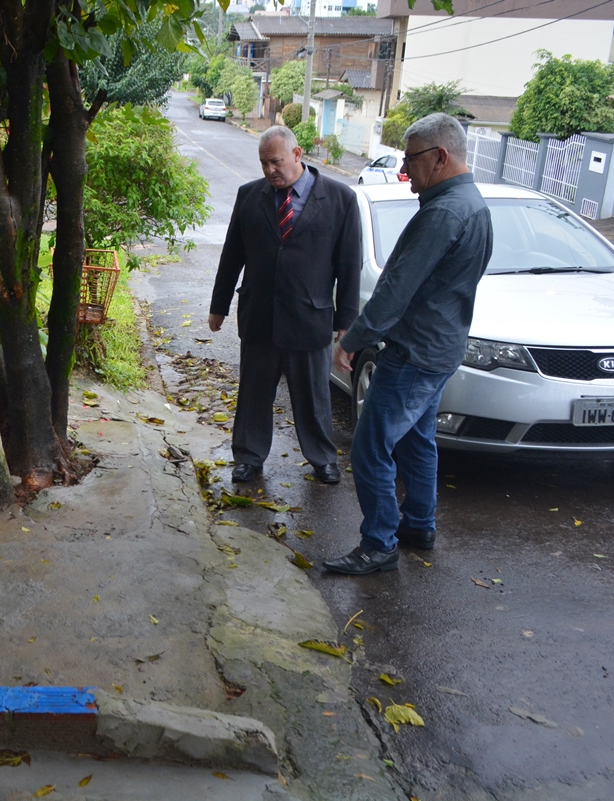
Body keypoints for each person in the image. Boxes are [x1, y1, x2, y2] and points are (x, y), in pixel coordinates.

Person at [324, 113, 493, 576]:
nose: (404, 168)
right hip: (440, 349)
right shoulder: (472, 204)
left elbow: (397, 288)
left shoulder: (444, 213)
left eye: (411, 158)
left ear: (440, 157)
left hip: (414, 353)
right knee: (418, 440)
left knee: (370, 446)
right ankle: (418, 524)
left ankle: (379, 543)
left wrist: (353, 340)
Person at [208, 126, 361, 485]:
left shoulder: (340, 199)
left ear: (297, 154)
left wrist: (347, 322)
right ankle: (248, 457)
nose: (270, 170)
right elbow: (232, 255)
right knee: (253, 394)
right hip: (260, 316)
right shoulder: (249, 196)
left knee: (313, 397)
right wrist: (219, 306)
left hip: (310, 317)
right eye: (264, 163)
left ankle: (322, 458)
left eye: (276, 162)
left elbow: (349, 265)